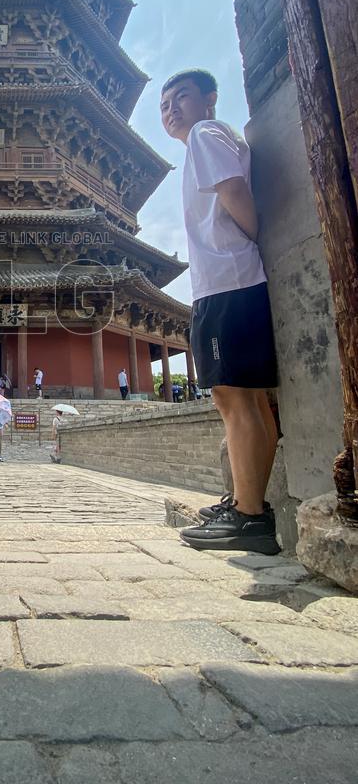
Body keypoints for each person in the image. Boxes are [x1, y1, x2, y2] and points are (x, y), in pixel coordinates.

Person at [161, 69, 280, 555]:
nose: (170, 109)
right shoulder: (209, 138)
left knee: (234, 400)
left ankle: (250, 517)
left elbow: (233, 191)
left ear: (209, 99)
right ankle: (246, 501)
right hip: (233, 282)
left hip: (227, 283)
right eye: (164, 104)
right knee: (250, 400)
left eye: (181, 97)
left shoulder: (207, 133)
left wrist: (253, 238)